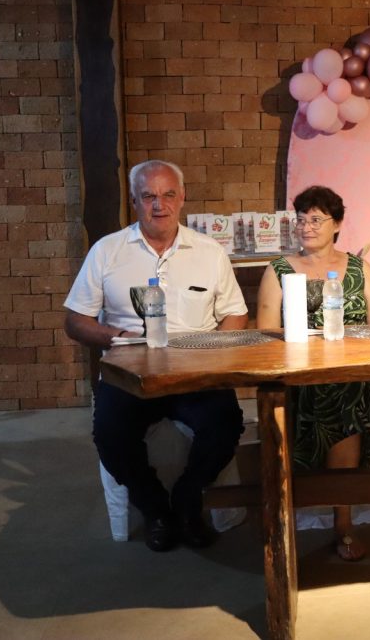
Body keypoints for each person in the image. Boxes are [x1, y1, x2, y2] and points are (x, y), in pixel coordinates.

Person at [64, 159, 248, 552]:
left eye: (168, 195)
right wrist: (113, 335)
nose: (159, 205)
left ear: (182, 198)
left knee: (226, 424)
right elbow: (75, 320)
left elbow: (235, 312)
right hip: (130, 374)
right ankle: (155, 509)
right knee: (109, 435)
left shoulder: (209, 251)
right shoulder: (107, 251)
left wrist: (215, 356)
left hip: (195, 373)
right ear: (134, 201)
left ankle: (187, 499)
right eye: (148, 196)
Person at [256, 185, 370, 561]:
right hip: (299, 377)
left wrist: (345, 348)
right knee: (334, 393)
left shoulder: (358, 268)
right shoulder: (279, 271)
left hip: (351, 372)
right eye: (301, 219)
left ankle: (345, 519)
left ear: (337, 224)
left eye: (317, 219)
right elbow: (267, 334)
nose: (307, 227)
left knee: (342, 388)